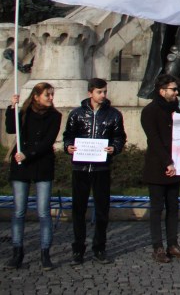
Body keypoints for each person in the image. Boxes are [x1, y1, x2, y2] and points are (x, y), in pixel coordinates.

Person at [62, 77, 127, 265]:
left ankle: (99, 247)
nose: (103, 95)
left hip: (101, 167)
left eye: (105, 91)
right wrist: (68, 146)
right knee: (78, 209)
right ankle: (78, 249)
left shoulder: (114, 114)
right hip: (80, 167)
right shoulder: (77, 114)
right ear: (90, 93)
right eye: (99, 92)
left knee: (102, 210)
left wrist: (115, 147)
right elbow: (68, 135)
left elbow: (119, 136)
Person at [5, 83, 60, 270]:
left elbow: (47, 142)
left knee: (43, 211)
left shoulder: (55, 116)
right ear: (36, 97)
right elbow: (11, 128)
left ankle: (45, 253)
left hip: (42, 164)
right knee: (19, 211)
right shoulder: (24, 113)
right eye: (47, 95)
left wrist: (28, 154)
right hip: (21, 167)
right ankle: (17, 252)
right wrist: (12, 108)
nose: (51, 98)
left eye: (52, 95)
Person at [141, 73, 180, 263]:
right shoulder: (150, 111)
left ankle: (173, 244)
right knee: (157, 209)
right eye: (173, 89)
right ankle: (158, 247)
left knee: (173, 207)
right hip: (158, 167)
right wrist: (167, 162)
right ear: (162, 91)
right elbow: (154, 139)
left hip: (175, 166)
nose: (176, 93)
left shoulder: (176, 111)